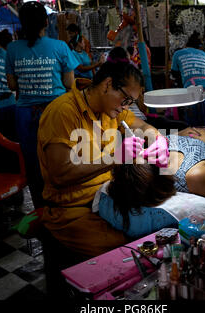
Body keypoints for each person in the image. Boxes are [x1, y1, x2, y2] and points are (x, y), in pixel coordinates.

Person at [37, 60, 170, 257]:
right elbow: (60, 176)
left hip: (106, 197)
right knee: (126, 249)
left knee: (155, 228)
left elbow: (143, 127)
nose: (126, 107)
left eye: (130, 103)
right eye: (125, 100)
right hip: (73, 208)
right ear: (107, 85)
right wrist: (113, 158)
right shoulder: (63, 112)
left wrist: (158, 139)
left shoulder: (112, 111)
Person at [5, 1, 79, 208]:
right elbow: (69, 83)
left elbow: (11, 84)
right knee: (62, 159)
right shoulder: (60, 46)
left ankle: (41, 209)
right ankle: (64, 205)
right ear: (46, 22)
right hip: (55, 112)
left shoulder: (12, 48)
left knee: (34, 164)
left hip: (25, 115)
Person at [171, 31, 205, 128]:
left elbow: (174, 73)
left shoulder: (178, 53)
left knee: (197, 122)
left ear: (186, 44)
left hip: (193, 86)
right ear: (200, 46)